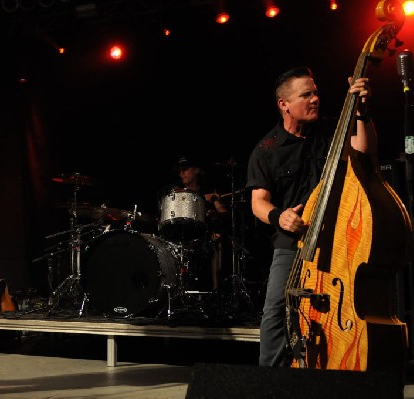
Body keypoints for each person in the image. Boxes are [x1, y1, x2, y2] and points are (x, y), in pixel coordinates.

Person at [245, 66, 376, 367]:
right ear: (284, 104)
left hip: (338, 239)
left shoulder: (332, 130)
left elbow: (365, 151)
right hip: (293, 242)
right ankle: (271, 381)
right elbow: (258, 203)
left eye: (315, 92)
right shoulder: (265, 150)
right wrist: (279, 217)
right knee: (276, 311)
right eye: (306, 94)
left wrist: (362, 111)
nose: (315, 99)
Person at [157, 156, 229, 292]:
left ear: (196, 170)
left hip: (202, 239)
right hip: (178, 237)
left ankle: (215, 291)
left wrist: (214, 202)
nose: (181, 174)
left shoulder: (207, 191)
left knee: (217, 238)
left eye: (185, 170)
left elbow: (223, 214)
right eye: (179, 171)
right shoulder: (175, 191)